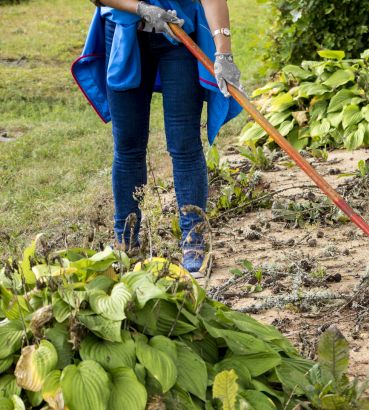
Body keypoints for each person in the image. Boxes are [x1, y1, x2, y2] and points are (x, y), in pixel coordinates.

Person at [72, 0, 243, 274]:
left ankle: (194, 241)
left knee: (185, 143)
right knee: (128, 145)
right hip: (125, 28)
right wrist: (140, 8)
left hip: (179, 31)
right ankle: (126, 242)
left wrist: (223, 53)